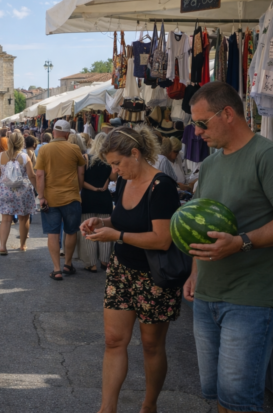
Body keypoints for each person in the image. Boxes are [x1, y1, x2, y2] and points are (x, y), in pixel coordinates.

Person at [183, 82, 273, 413]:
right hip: (208, 295)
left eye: (201, 123)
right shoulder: (209, 165)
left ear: (227, 114)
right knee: (217, 394)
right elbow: (201, 223)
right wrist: (195, 271)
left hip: (251, 299)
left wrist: (242, 243)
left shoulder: (268, 156)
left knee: (239, 399)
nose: (196, 132)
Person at [79, 125, 182, 413]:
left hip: (155, 276)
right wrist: (102, 223)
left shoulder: (163, 187)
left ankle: (149, 406)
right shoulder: (125, 182)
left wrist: (118, 236)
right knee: (113, 340)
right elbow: (122, 220)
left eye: (116, 163)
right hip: (121, 270)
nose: (114, 171)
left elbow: (162, 240)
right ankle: (106, 408)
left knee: (151, 345)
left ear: (135, 153)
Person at [35, 120, 86, 280]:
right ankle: (68, 264)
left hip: (51, 198)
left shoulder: (44, 149)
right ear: (67, 134)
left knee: (53, 232)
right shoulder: (74, 148)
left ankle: (56, 269)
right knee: (71, 231)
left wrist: (41, 197)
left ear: (54, 132)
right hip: (71, 197)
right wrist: (78, 190)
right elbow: (81, 173)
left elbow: (39, 175)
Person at [77, 132, 117, 272]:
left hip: (88, 197)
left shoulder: (86, 158)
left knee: (89, 229)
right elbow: (113, 177)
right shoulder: (109, 159)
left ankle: (91, 263)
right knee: (105, 227)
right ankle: (105, 261)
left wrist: (93, 188)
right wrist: (104, 184)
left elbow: (81, 180)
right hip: (104, 197)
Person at [0, 132, 36, 254]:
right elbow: (31, 176)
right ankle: (22, 245)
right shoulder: (24, 157)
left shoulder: (1, 156)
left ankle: (3, 246)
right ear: (21, 143)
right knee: (24, 218)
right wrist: (39, 190)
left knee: (6, 219)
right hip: (22, 191)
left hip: (5, 190)